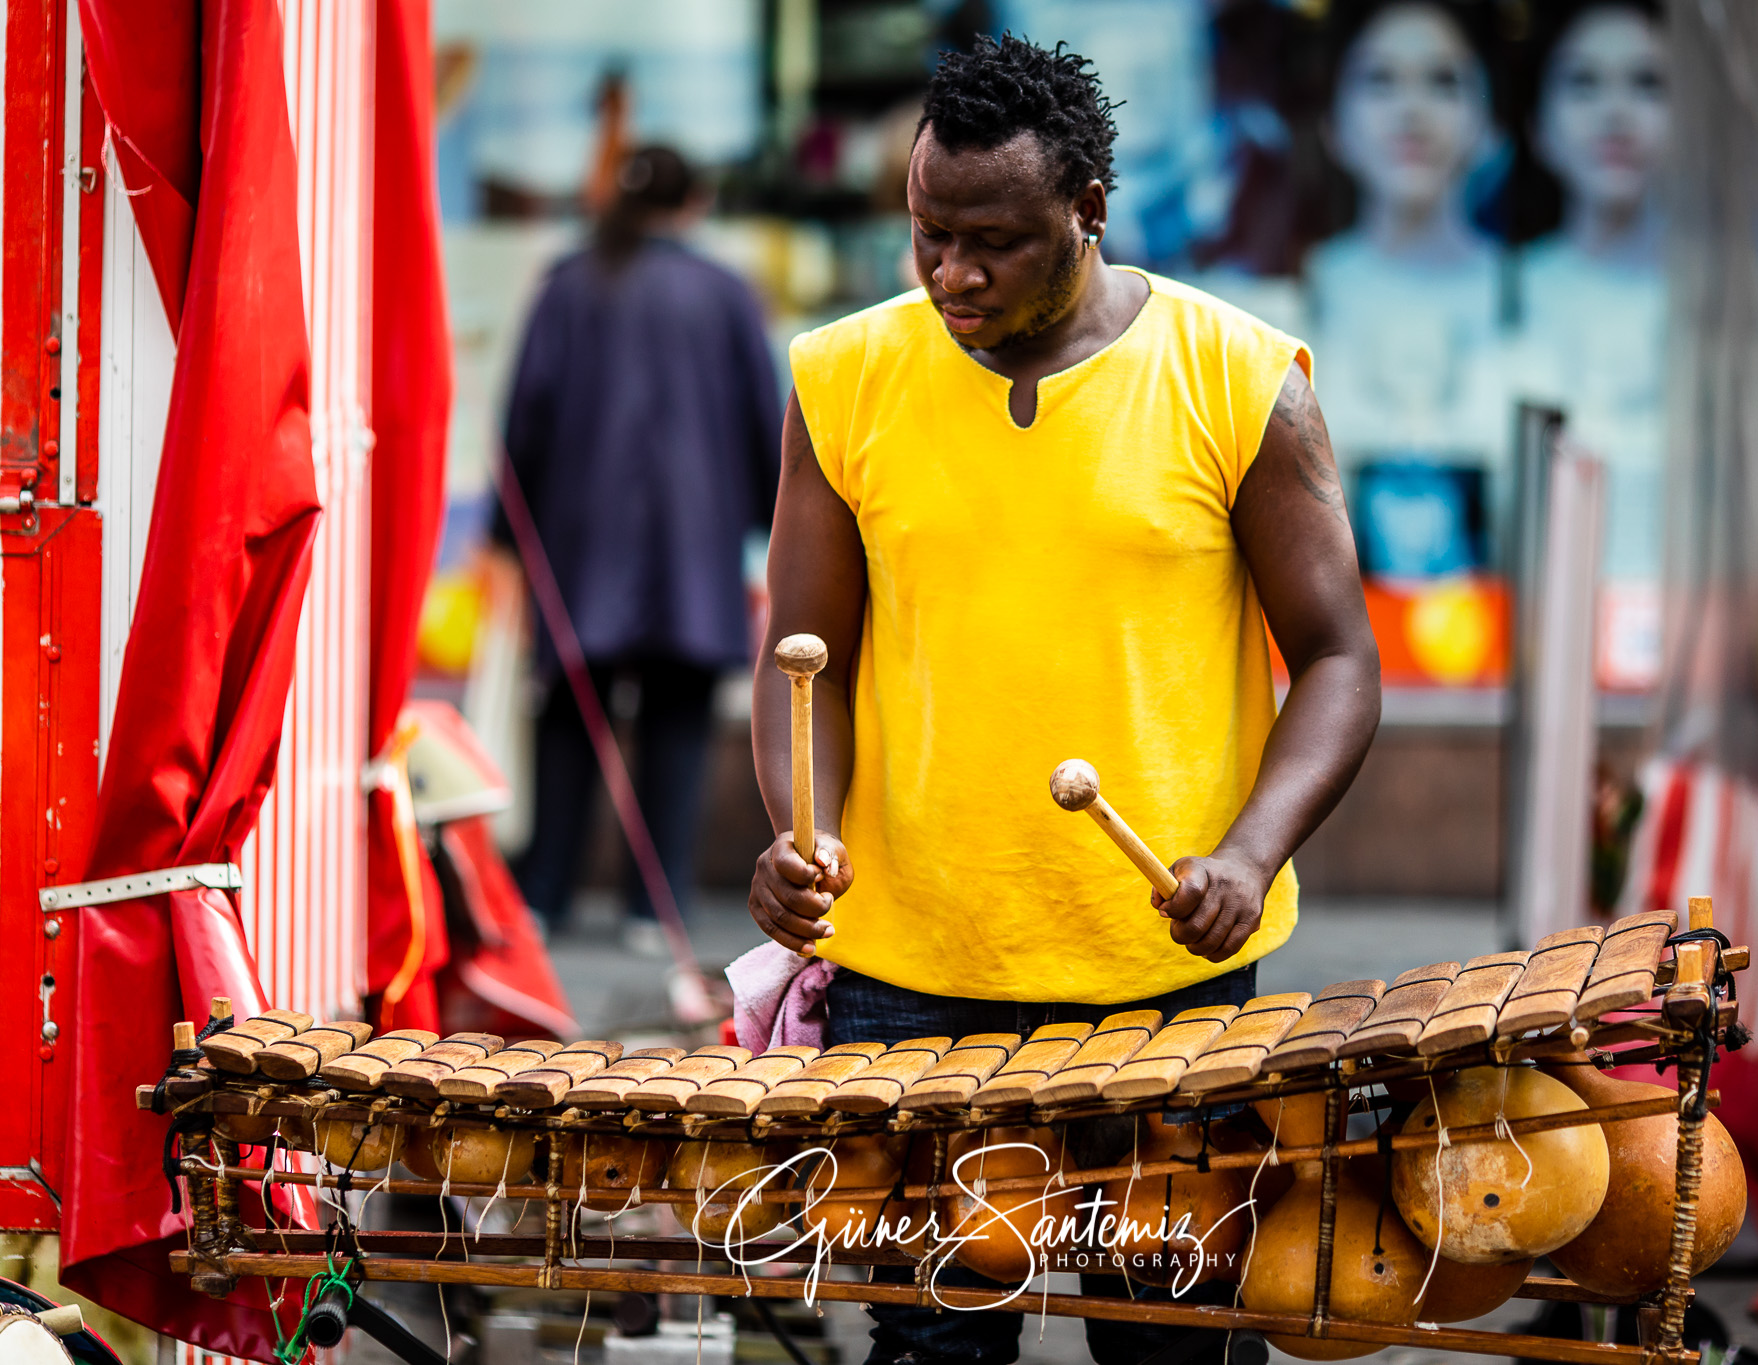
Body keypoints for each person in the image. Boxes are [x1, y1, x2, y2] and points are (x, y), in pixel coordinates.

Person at [749, 36, 1379, 1364]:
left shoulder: (1240, 378)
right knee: (929, 1349)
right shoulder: (843, 379)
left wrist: (1251, 856)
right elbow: (805, 654)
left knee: (1173, 1343)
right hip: (910, 970)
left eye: (996, 241)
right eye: (929, 232)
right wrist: (800, 834)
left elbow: (1337, 656)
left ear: (1089, 208)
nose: (950, 274)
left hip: (1162, 971)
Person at [501, 145, 781, 951]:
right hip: (691, 550)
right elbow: (769, 428)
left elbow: (526, 417)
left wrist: (504, 537)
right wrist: (777, 530)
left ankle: (545, 893)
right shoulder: (724, 294)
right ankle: (653, 906)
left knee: (566, 717)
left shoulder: (569, 284)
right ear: (693, 203)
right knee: (678, 724)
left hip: (579, 545)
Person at [1301, 0, 1511, 568]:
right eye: (1380, 80)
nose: (1411, 110)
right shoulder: (1289, 304)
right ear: (1332, 125)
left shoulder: (1533, 297)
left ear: (1491, 121)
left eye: (1443, 81)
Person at [1511, 0, 1670, 599]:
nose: (1616, 113)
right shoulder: (1501, 291)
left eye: (1648, 83)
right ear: (1538, 126)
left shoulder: (1727, 321)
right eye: (1584, 84)